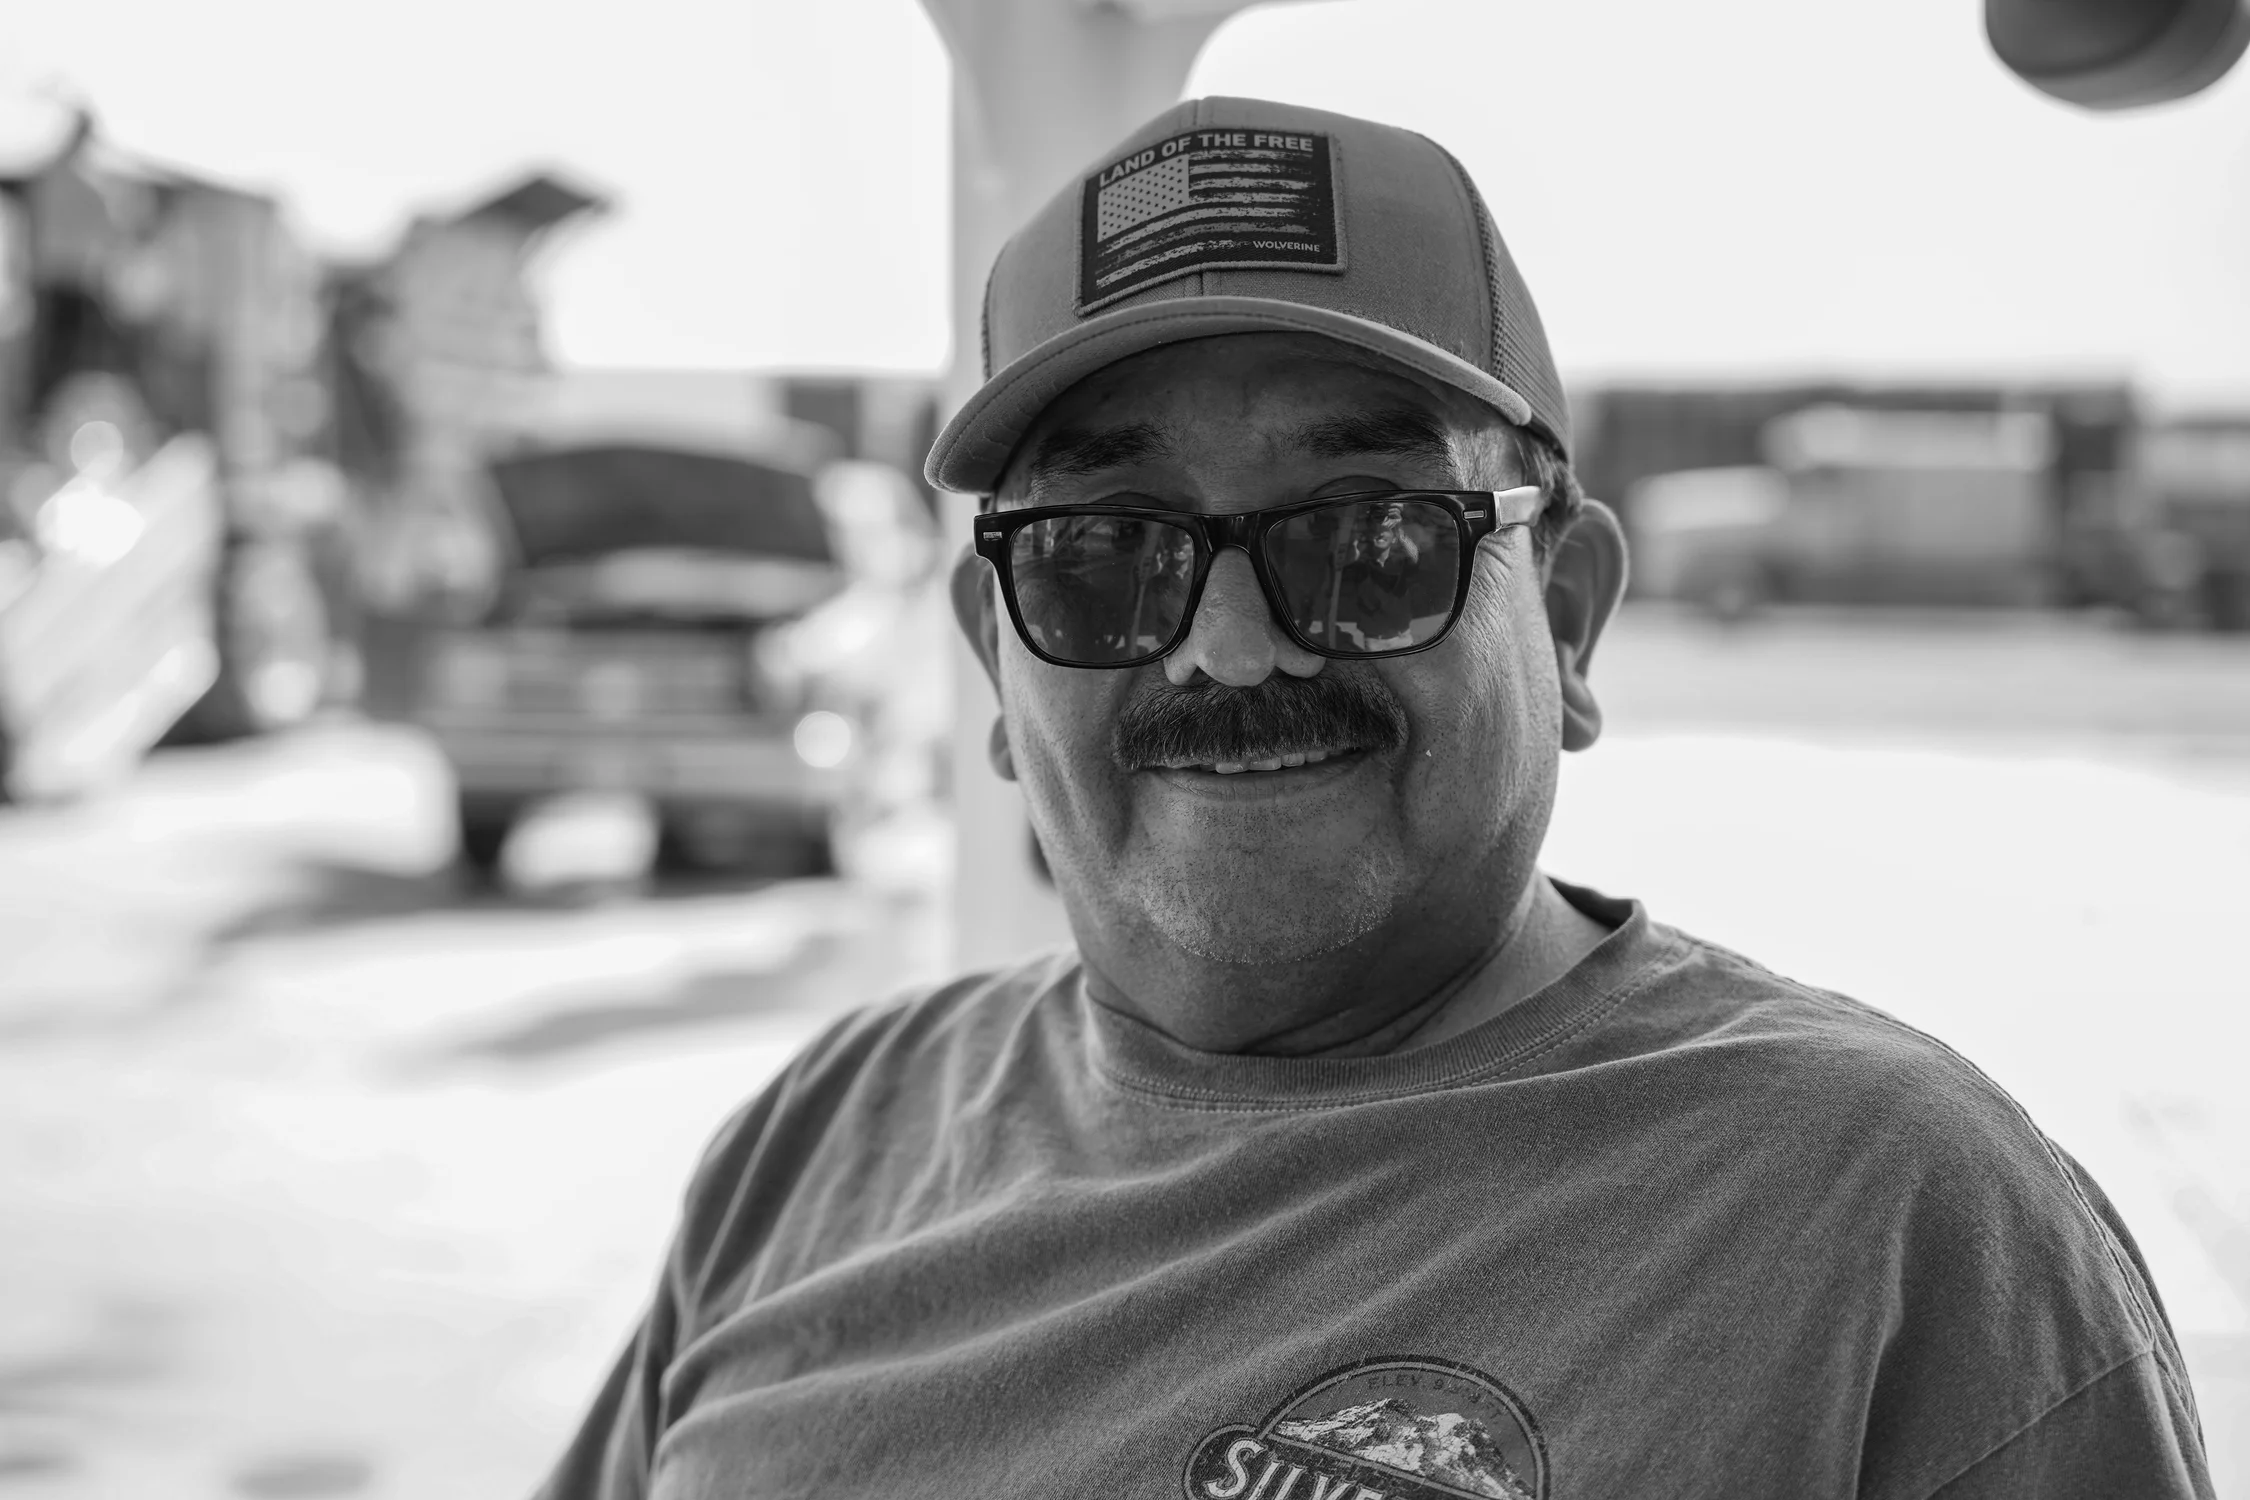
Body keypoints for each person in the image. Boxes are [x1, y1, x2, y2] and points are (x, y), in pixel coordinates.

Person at [535, 98, 2212, 1500]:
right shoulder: (826, 1137)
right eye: (1105, 557)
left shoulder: (1898, 1222)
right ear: (994, 661)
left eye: (1369, 536)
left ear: (1559, 617)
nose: (1233, 645)